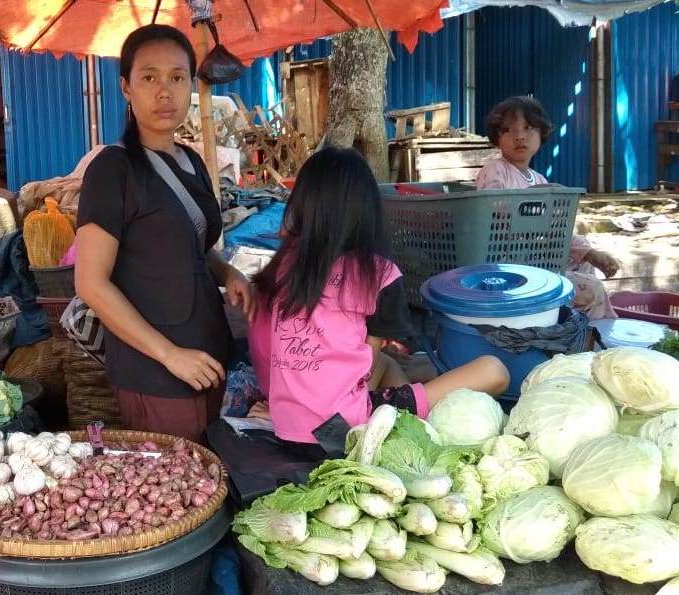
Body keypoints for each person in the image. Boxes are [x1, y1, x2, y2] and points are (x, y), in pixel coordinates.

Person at [247, 147, 510, 445]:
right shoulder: (378, 274)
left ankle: (403, 414)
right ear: (367, 210)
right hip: (345, 433)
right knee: (494, 369)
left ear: (302, 205)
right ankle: (405, 424)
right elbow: (367, 367)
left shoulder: (284, 266)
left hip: (287, 430)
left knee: (389, 364)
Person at [74, 24, 254, 444]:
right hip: (155, 370)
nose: (164, 91)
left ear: (191, 84)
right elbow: (90, 282)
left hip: (208, 350)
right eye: (149, 77)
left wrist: (228, 274)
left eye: (177, 77)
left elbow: (191, 248)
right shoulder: (112, 169)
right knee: (182, 489)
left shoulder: (190, 161)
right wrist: (169, 355)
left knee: (215, 476)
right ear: (126, 87)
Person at [476, 96, 618, 320]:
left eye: (528, 128)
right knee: (592, 290)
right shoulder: (495, 170)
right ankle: (591, 338)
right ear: (497, 138)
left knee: (586, 267)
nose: (519, 136)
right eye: (507, 130)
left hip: (538, 259)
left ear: (541, 133)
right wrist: (537, 201)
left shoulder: (539, 180)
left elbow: (557, 231)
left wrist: (589, 253)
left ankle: (571, 325)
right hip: (510, 266)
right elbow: (493, 205)